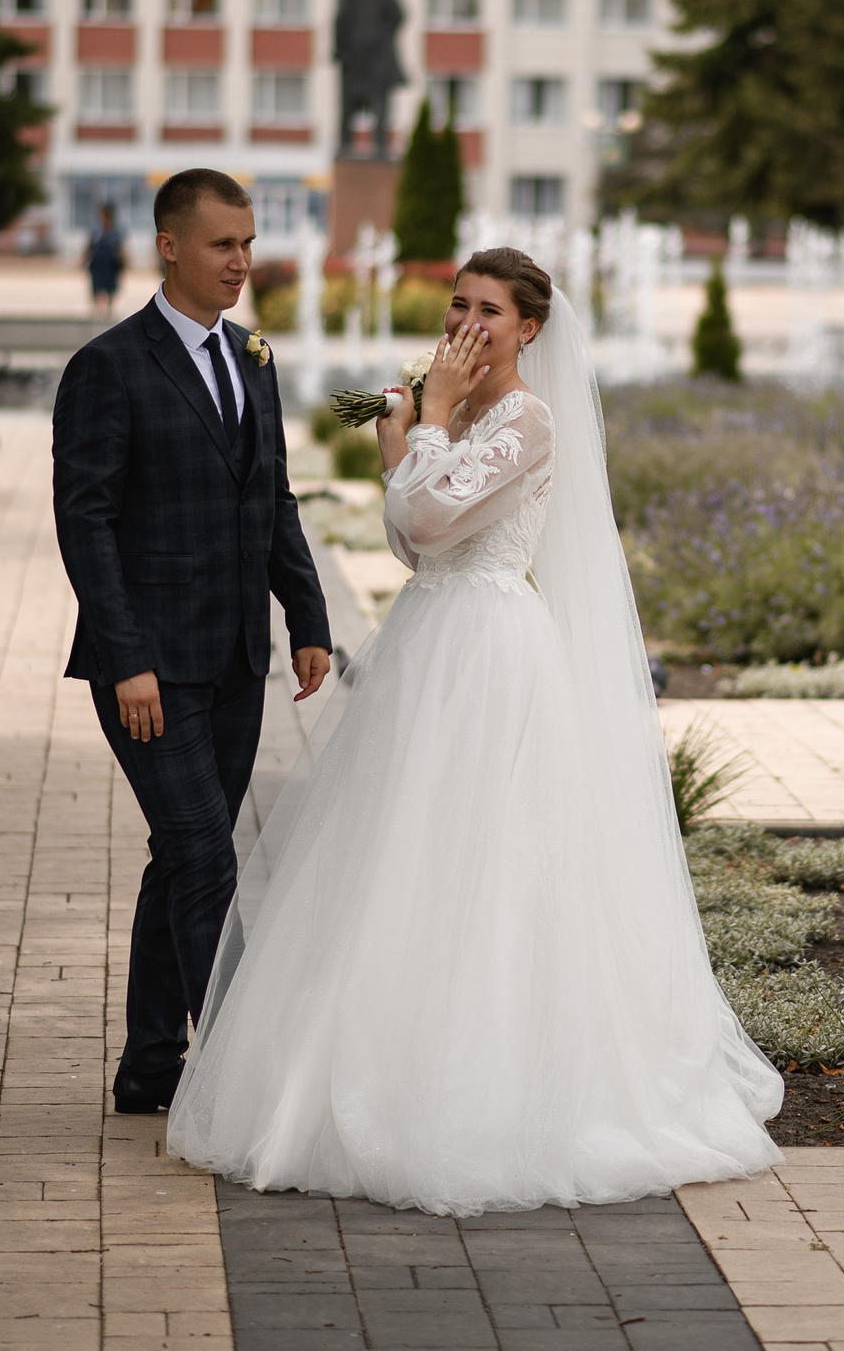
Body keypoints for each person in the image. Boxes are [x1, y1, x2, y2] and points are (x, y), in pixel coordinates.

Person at [163, 249, 785, 1216]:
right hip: (431, 641)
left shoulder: (529, 419)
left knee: (487, 859)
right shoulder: (457, 407)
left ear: (529, 329)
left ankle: (487, 1087)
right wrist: (411, 431)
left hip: (491, 652)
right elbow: (410, 543)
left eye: (489, 309)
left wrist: (427, 425)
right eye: (459, 303)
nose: (468, 321)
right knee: (399, 852)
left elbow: (433, 515)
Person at [51, 169, 335, 1120]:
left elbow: (274, 496)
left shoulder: (252, 357)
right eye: (223, 245)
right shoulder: (109, 365)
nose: (242, 262)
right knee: (209, 856)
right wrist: (125, 656)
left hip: (233, 661)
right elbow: (84, 522)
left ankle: (150, 1067)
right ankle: (244, 1072)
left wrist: (308, 618)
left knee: (180, 855)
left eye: (248, 243)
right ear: (170, 245)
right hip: (148, 669)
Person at [85, 202, 125, 316]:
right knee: (96, 285)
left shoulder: (115, 232)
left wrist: (123, 260)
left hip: (111, 263)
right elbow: (89, 246)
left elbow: (119, 247)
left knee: (111, 286)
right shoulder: (96, 232)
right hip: (98, 262)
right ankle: (98, 309)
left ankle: (109, 309)